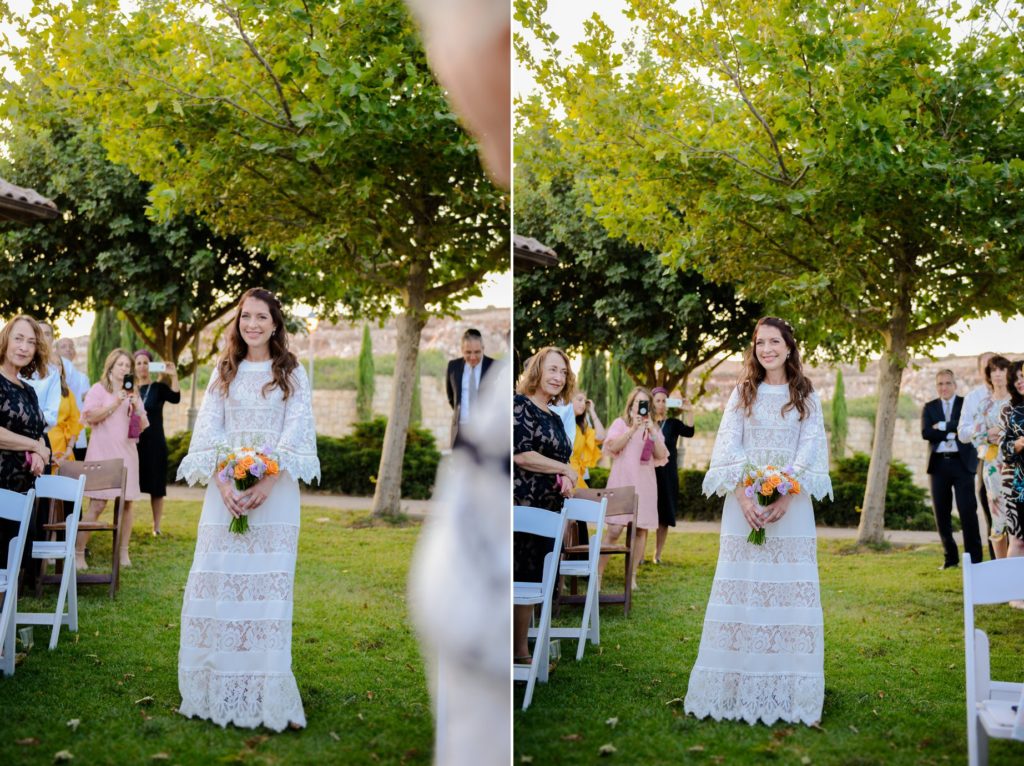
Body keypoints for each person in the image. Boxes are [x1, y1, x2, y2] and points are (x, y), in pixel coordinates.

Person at [176, 287, 319, 731]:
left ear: (276, 323)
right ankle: (215, 685)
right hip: (226, 497)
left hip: (275, 498)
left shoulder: (291, 372)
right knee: (220, 586)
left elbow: (297, 433)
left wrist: (269, 480)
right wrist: (225, 485)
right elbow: (209, 434)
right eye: (245, 317)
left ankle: (266, 687)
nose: (252, 324)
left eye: (261, 317)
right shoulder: (225, 371)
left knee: (266, 594)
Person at [684, 317, 832, 726]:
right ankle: (733, 685)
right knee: (744, 589)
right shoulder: (742, 393)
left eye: (774, 342)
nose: (766, 349)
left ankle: (789, 688)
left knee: (787, 595)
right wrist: (743, 495)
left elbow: (811, 448)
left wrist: (786, 490)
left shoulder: (807, 396)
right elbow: (728, 446)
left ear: (789, 347)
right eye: (759, 342)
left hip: (791, 507)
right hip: (744, 504)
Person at [512, 347, 576, 665]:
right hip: (524, 506)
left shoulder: (555, 417)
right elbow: (520, 454)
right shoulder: (520, 405)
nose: (558, 377)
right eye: (552, 370)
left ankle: (525, 648)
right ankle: (520, 654)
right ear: (537, 371)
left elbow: (561, 459)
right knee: (523, 576)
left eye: (563, 372)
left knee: (539, 578)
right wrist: (563, 469)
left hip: (550, 510)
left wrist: (566, 479)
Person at [76, 349, 149, 570]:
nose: (125, 369)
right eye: (120, 365)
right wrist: (115, 403)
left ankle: (123, 553)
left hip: (127, 454)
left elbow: (142, 428)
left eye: (128, 366)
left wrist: (137, 408)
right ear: (110, 367)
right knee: (97, 504)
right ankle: (79, 553)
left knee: (127, 504)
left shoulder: (133, 392)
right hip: (102, 454)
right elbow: (90, 417)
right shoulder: (99, 390)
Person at [599, 387, 668, 590]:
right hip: (622, 481)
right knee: (614, 529)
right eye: (638, 402)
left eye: (645, 402)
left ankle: (632, 577)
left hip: (645, 483)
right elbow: (612, 447)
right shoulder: (620, 424)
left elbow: (662, 454)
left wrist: (652, 431)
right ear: (631, 404)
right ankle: (598, 575)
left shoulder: (653, 427)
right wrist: (632, 430)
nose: (641, 406)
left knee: (640, 530)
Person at [0, 316, 52, 569]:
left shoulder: (29, 390)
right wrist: (34, 447)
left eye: (31, 342)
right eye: (18, 338)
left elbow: (38, 431)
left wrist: (41, 453)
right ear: (5, 340)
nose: (24, 347)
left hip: (23, 492)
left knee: (12, 567)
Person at [922, 369, 983, 569]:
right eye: (940, 384)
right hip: (938, 465)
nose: (944, 387)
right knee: (941, 513)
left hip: (962, 464)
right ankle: (951, 559)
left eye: (947, 383)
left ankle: (974, 560)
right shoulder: (929, 407)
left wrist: (943, 426)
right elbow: (926, 432)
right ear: (936, 386)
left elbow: (967, 425)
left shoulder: (965, 403)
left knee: (967, 511)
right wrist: (951, 431)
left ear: (955, 385)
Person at [133, 349, 181, 536]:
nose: (142, 366)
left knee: (156, 487)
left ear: (151, 366)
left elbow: (176, 398)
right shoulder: (130, 388)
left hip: (154, 443)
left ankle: (156, 526)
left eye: (146, 363)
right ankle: (125, 522)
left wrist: (174, 375)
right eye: (138, 363)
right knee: (130, 484)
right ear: (134, 366)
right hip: (134, 442)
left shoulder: (158, 388)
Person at [969, 356, 1013, 559]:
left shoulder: (1017, 401)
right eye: (993, 370)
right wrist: (988, 435)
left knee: (1017, 519)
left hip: (1016, 467)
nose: (997, 374)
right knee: (998, 519)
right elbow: (975, 436)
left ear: (1008, 373)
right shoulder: (984, 405)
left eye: (1001, 369)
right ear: (989, 375)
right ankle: (1000, 569)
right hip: (993, 467)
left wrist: (1002, 433)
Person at [958, 351, 997, 559]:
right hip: (987, 460)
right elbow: (962, 433)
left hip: (1016, 461)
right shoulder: (974, 398)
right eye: (988, 367)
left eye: (997, 366)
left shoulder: (1016, 393)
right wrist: (982, 430)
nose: (994, 372)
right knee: (992, 517)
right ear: (980, 371)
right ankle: (996, 567)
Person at [652, 386, 695, 564]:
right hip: (649, 473)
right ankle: (638, 554)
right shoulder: (646, 423)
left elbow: (690, 432)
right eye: (657, 400)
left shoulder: (673, 423)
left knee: (664, 514)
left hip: (668, 475)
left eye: (664, 400)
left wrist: (689, 411)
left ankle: (657, 554)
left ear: (668, 403)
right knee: (647, 512)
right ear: (652, 402)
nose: (661, 404)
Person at [445, 328, 494, 448]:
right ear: (462, 350)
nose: (472, 357)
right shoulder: (453, 367)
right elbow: (452, 398)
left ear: (483, 349)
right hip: (460, 432)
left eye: (477, 352)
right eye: (468, 352)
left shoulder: (495, 367)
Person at [1001, 361, 1024, 564]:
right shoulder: (1015, 413)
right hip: (1020, 487)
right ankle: (1015, 596)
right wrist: (1017, 445)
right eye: (1016, 379)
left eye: (1023, 377)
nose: (1020, 382)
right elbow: (1005, 450)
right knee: (1018, 541)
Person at [55, 337, 91, 460]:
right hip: (57, 431)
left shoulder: (82, 377)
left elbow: (85, 399)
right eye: (63, 346)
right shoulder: (51, 375)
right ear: (56, 351)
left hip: (76, 428)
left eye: (71, 346)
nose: (68, 349)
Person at [47, 351, 82, 468]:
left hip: (63, 449)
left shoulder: (68, 394)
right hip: (43, 448)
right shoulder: (35, 392)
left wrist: (69, 449)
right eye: (51, 364)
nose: (56, 367)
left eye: (58, 364)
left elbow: (75, 422)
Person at [24, 321, 61, 430]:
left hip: (39, 434)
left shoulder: (53, 372)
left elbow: (51, 415)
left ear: (52, 339)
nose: (42, 337)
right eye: (38, 333)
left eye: (47, 334)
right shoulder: (16, 365)